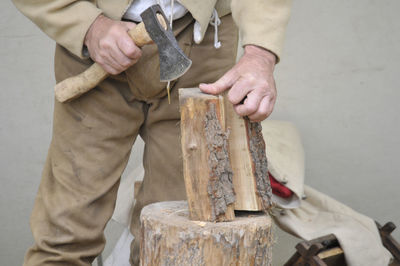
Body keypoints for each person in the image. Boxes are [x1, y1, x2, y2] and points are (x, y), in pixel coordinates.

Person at [12, 0, 292, 265]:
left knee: (185, 230)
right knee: (66, 232)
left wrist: (260, 54)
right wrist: (87, 25)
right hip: (95, 44)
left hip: (203, 39)